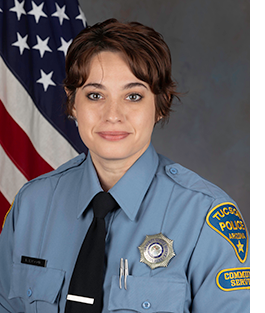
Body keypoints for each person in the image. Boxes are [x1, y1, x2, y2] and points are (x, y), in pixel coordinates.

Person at [0, 18, 249, 313]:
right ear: (73, 103)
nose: (112, 114)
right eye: (95, 95)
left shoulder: (205, 217)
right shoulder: (32, 205)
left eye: (133, 96)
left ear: (160, 105)